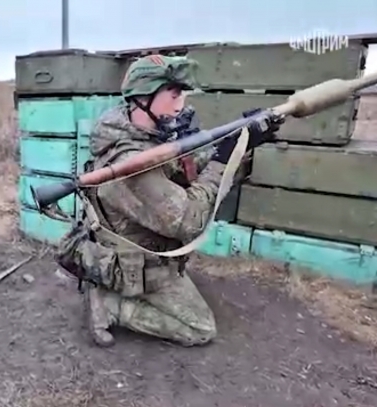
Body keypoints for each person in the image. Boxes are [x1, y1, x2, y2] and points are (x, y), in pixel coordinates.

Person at [55, 55, 280, 348]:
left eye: (183, 95)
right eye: (173, 95)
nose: (180, 105)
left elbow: (189, 168)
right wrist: (223, 160)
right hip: (137, 263)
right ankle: (112, 306)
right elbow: (189, 221)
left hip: (151, 248)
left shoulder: (147, 135)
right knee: (199, 328)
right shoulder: (130, 164)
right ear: (142, 98)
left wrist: (241, 143)